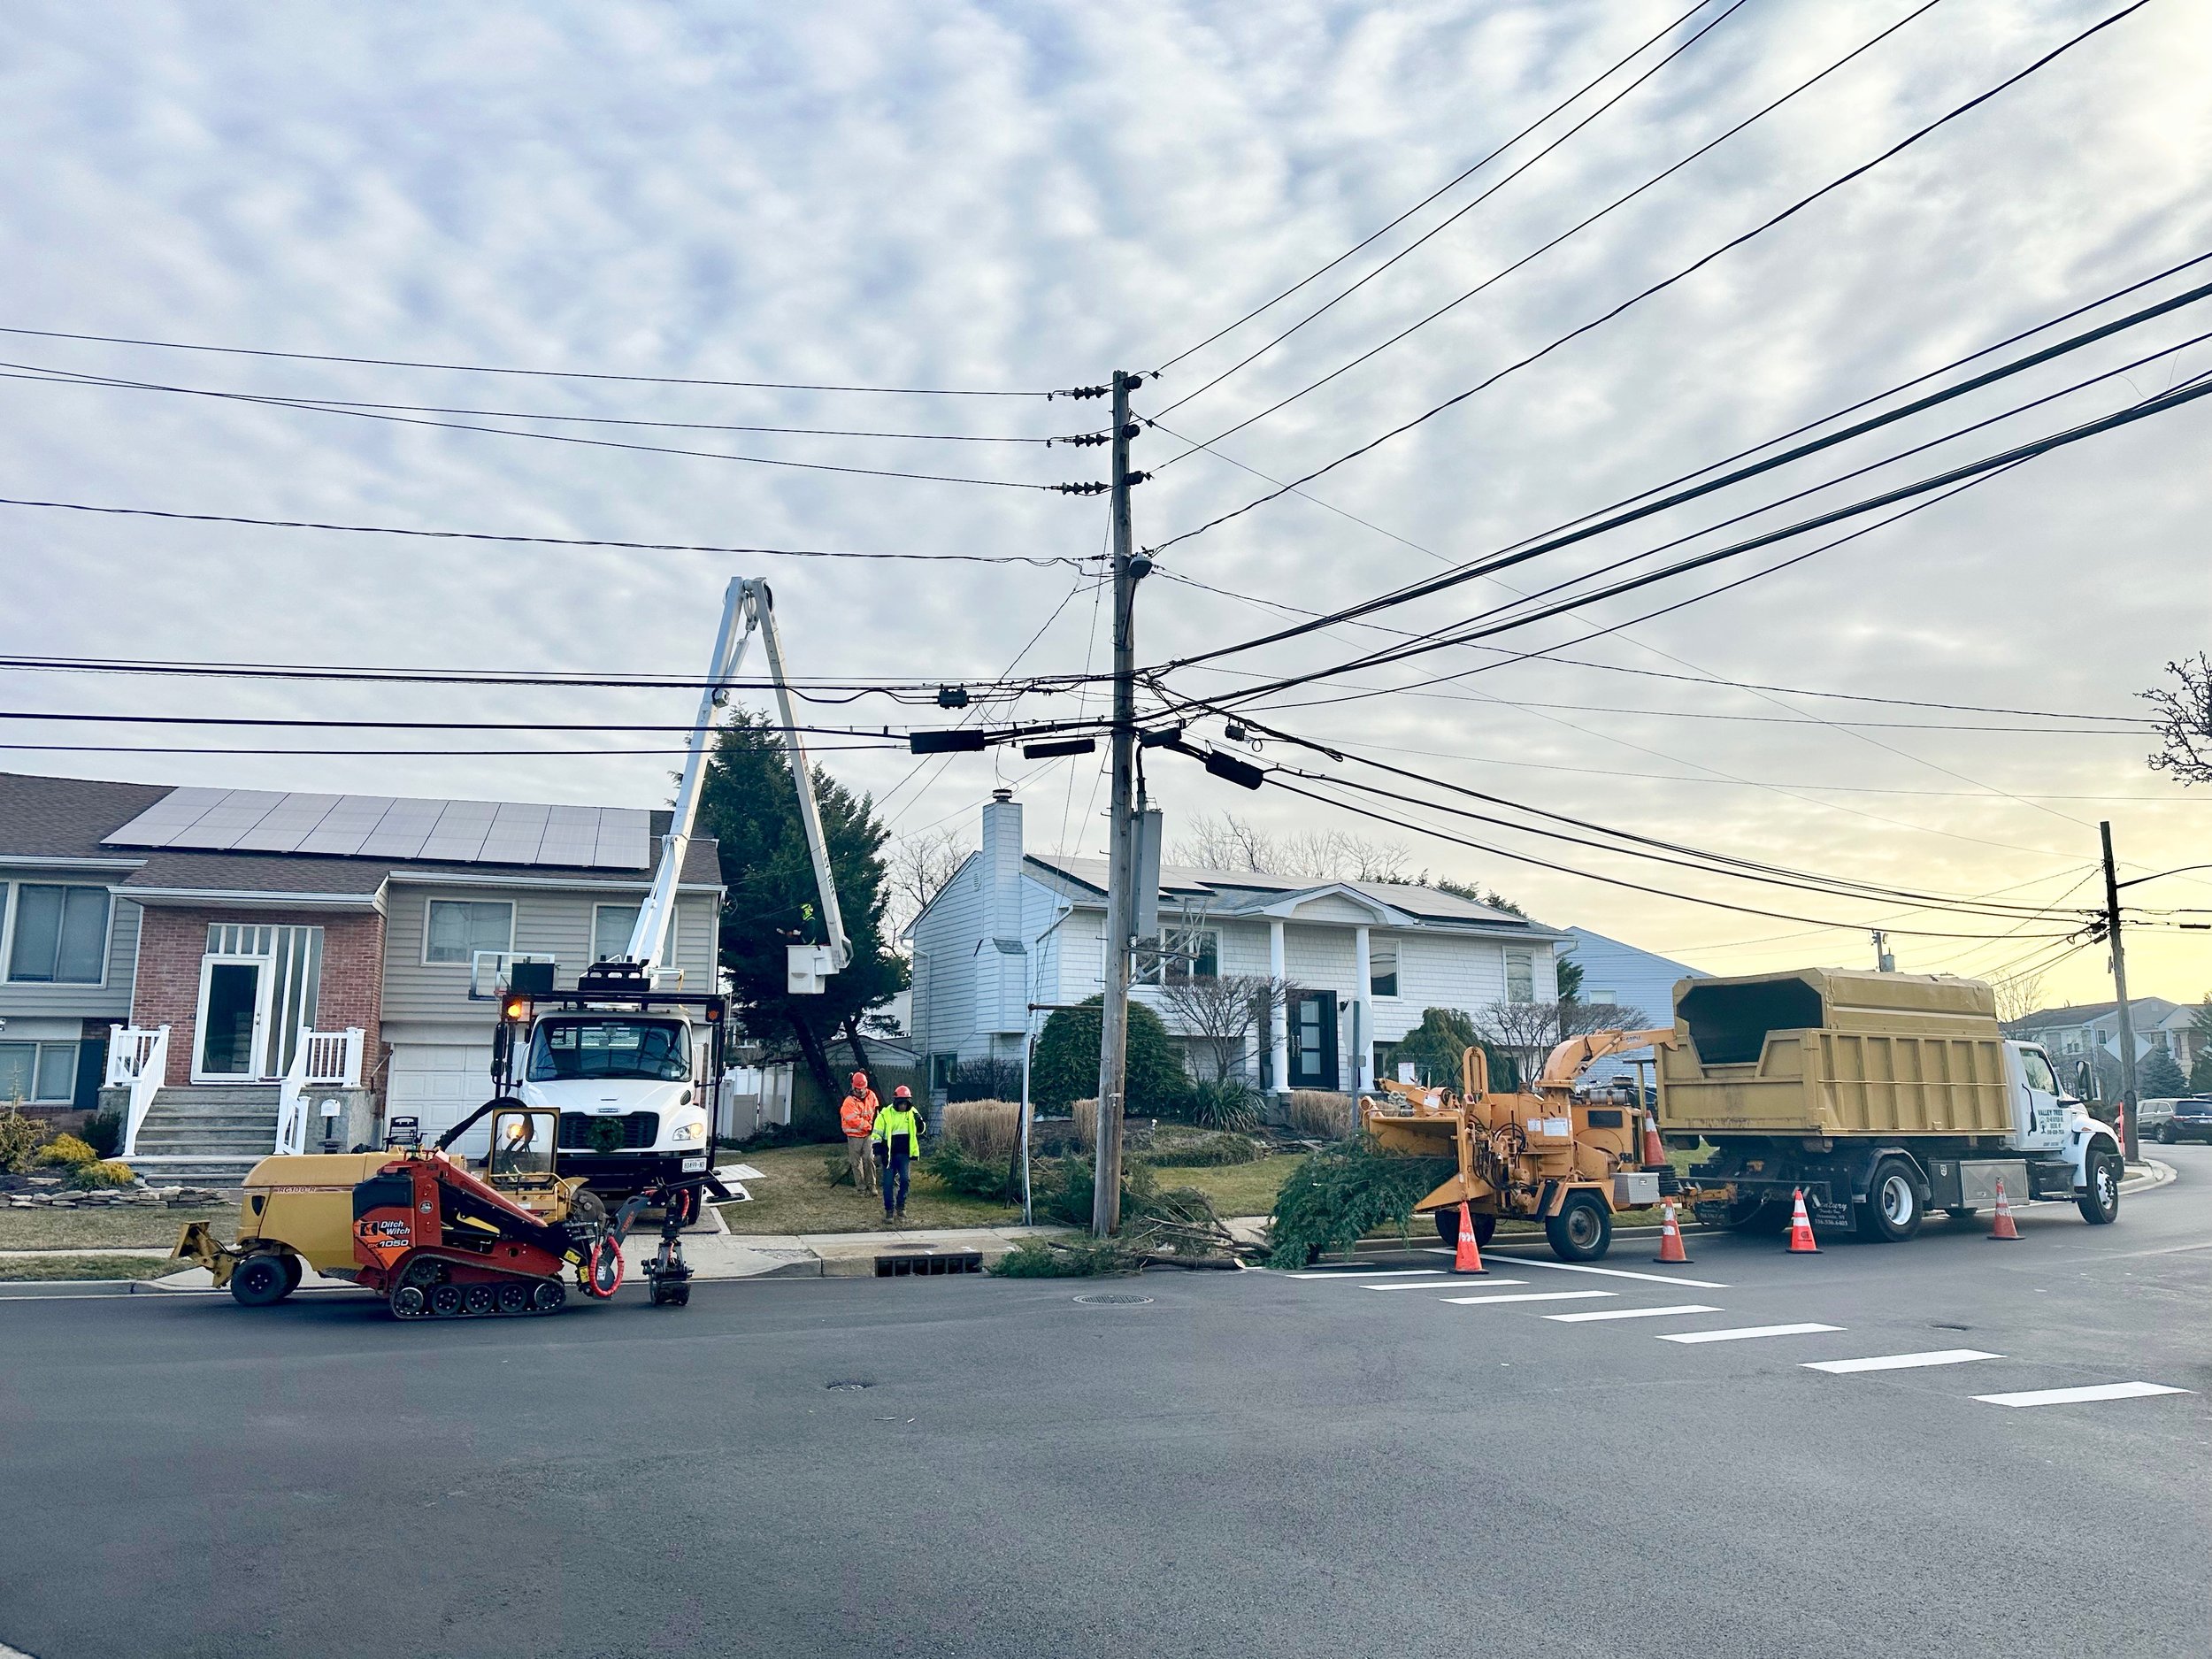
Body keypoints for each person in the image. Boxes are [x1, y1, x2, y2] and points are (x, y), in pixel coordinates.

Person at [871, 1084, 924, 1223]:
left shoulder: (913, 1113)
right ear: (896, 1102)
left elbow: (921, 1130)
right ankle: (889, 1211)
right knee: (888, 1184)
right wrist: (877, 1150)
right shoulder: (885, 1114)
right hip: (889, 1155)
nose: (903, 1106)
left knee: (905, 1180)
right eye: (901, 1103)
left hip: (904, 1154)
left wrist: (920, 1123)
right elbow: (876, 1132)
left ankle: (901, 1206)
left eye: (905, 1103)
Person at [839, 1071, 879, 1197]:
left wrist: (875, 1127)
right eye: (858, 1089)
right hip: (855, 1135)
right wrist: (870, 1126)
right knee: (856, 1163)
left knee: (869, 1158)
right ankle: (861, 1188)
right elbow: (854, 1120)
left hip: (868, 1134)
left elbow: (876, 1112)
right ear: (853, 1087)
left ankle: (872, 1186)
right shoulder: (849, 1102)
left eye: (863, 1089)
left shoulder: (872, 1096)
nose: (861, 1091)